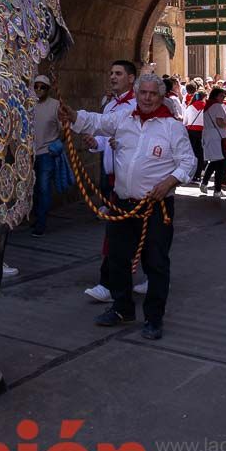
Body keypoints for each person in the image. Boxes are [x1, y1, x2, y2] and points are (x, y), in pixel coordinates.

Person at [61, 72, 195, 339]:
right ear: (136, 94)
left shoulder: (172, 127)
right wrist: (74, 116)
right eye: (142, 93)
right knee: (117, 259)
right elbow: (98, 122)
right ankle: (122, 308)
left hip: (156, 208)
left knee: (156, 263)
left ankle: (154, 318)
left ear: (160, 96)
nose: (147, 98)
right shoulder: (124, 118)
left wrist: (169, 182)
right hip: (122, 204)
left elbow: (188, 163)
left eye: (152, 94)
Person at [83, 58, 137, 303]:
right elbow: (105, 135)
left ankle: (109, 284)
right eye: (111, 72)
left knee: (117, 234)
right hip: (114, 179)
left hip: (131, 179)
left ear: (131, 78)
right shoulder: (109, 106)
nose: (112, 77)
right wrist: (96, 143)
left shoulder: (137, 105)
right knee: (124, 233)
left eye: (118, 73)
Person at [31, 74, 60, 236]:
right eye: (36, 86)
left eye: (42, 87)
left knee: (43, 188)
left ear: (48, 89)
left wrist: (55, 145)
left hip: (46, 154)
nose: (39, 90)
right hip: (30, 154)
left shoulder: (55, 105)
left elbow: (64, 128)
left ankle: (41, 223)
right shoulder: (30, 105)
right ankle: (36, 218)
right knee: (34, 189)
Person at [199, 86, 226, 195]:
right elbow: (220, 122)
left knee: (215, 162)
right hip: (216, 138)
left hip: (209, 136)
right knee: (220, 164)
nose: (223, 98)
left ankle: (205, 183)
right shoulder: (217, 106)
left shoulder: (208, 106)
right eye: (221, 96)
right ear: (216, 96)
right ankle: (217, 190)